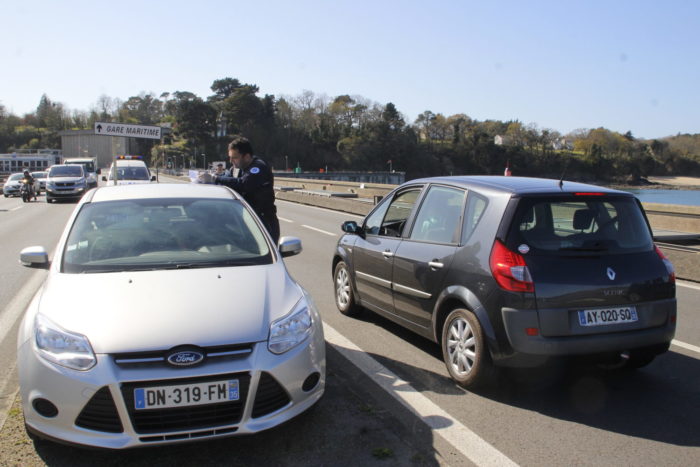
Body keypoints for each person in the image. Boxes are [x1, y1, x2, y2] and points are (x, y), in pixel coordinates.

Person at [199, 136, 280, 243]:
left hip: (262, 222)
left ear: (246, 157)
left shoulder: (258, 167)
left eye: (234, 157)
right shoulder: (236, 168)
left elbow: (244, 184)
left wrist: (215, 179)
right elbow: (226, 178)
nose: (231, 161)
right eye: (230, 157)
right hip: (243, 222)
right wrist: (209, 179)